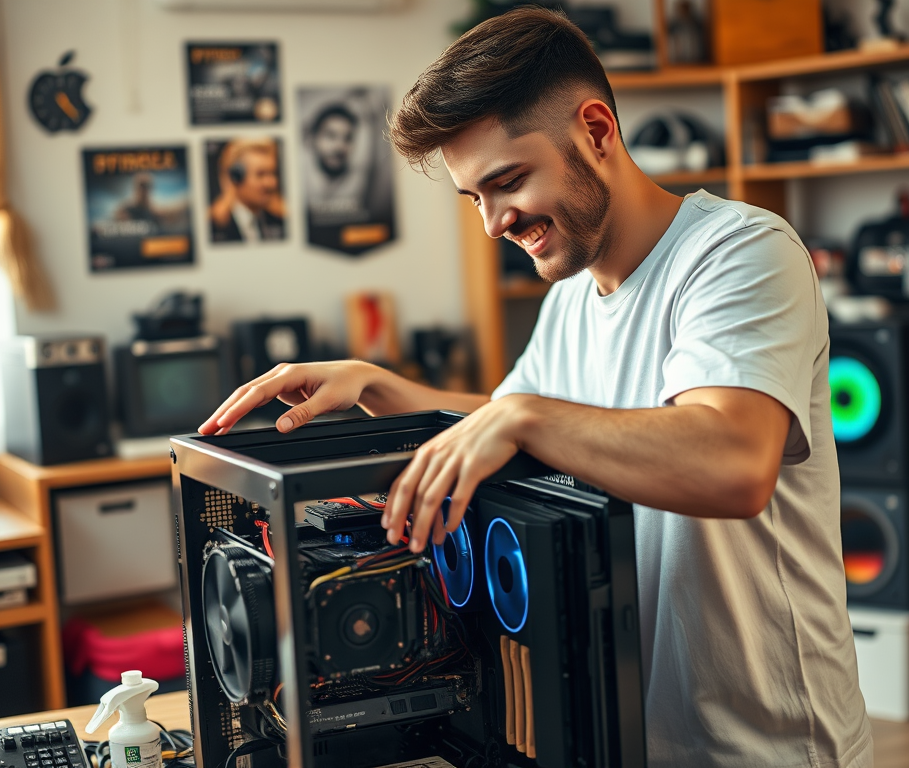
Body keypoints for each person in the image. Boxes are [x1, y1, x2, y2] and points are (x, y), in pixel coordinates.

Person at [200, 8, 871, 767]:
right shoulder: (571, 301)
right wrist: (383, 388)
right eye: (473, 198)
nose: (491, 223)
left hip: (764, 745)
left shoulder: (742, 253)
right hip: (619, 733)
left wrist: (517, 415)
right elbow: (524, 429)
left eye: (507, 181)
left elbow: (733, 460)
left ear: (595, 129)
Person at [208, 139, 286, 242]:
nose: (271, 183)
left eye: (273, 173)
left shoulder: (281, 222)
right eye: (261, 174)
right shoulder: (213, 227)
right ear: (236, 177)